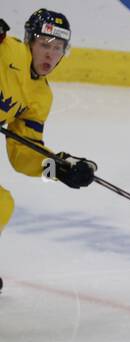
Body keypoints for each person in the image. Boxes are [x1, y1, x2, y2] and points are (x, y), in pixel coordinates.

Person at [1, 9, 98, 292]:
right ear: (29, 41)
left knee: (1, 204)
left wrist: (60, 168)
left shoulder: (41, 96)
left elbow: (23, 154)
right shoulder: (7, 52)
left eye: (58, 48)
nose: (50, 54)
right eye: (44, 44)